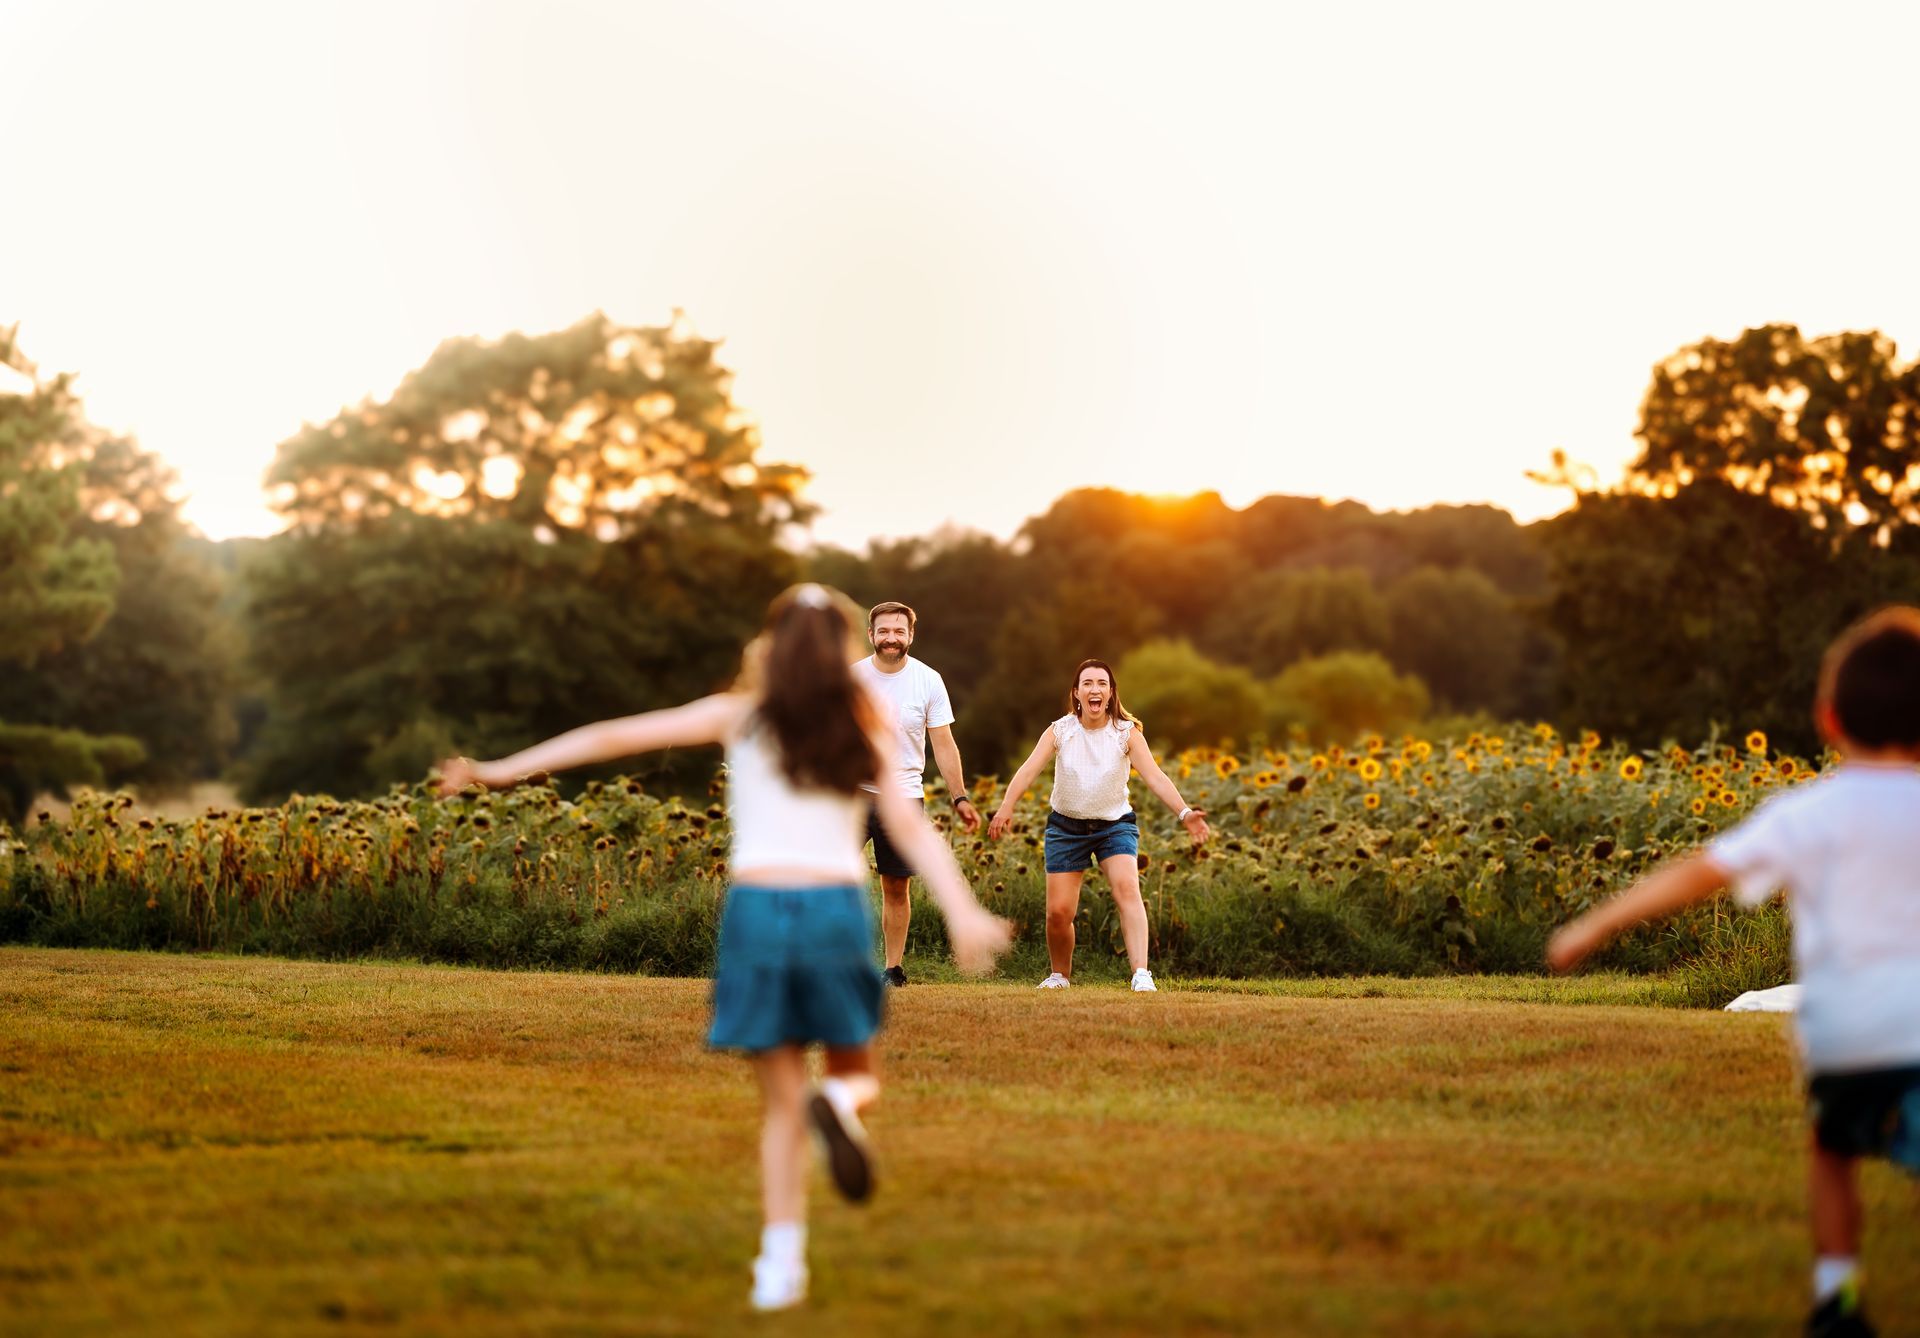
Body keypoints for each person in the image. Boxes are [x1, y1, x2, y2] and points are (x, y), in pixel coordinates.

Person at [436, 584, 1010, 1313]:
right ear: (842, 649)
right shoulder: (860, 722)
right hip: (834, 908)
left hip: (757, 910)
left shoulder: (737, 717)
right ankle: (839, 1100)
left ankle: (779, 1265)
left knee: (778, 1106)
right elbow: (912, 825)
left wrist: (496, 769)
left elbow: (609, 736)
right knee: (853, 1070)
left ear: (772, 646)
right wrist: (963, 911)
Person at [1548, 606, 1920, 1338]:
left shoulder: (1807, 812)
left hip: (1841, 1037)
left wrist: (1595, 924)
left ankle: (1836, 1297)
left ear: (1828, 720)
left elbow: (1699, 874)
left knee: (1832, 1150)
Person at [987, 657, 1210, 991]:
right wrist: (1006, 806)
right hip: (1066, 828)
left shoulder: (1126, 734)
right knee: (1059, 914)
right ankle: (1060, 975)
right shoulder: (1060, 731)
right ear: (1076, 693)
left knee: (1127, 890)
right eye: (1087, 684)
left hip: (1114, 826)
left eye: (1101, 684)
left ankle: (1141, 974)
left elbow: (1155, 777)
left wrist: (1185, 813)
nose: (1095, 690)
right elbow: (1029, 769)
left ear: (1110, 693)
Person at [852, 600, 982, 986]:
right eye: (884, 631)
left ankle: (892, 969)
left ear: (911, 635)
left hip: (904, 797)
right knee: (830, 878)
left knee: (895, 884)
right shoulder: (851, 678)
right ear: (871, 634)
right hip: (852, 794)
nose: (891, 638)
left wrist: (959, 797)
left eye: (899, 631)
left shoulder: (929, 680)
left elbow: (943, 744)